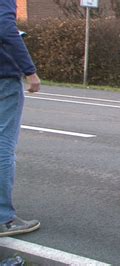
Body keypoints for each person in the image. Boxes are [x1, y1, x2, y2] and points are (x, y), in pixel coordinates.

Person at [0, 0, 41, 237]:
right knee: (4, 145)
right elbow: (5, 28)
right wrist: (30, 71)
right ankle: (4, 217)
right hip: (4, 77)